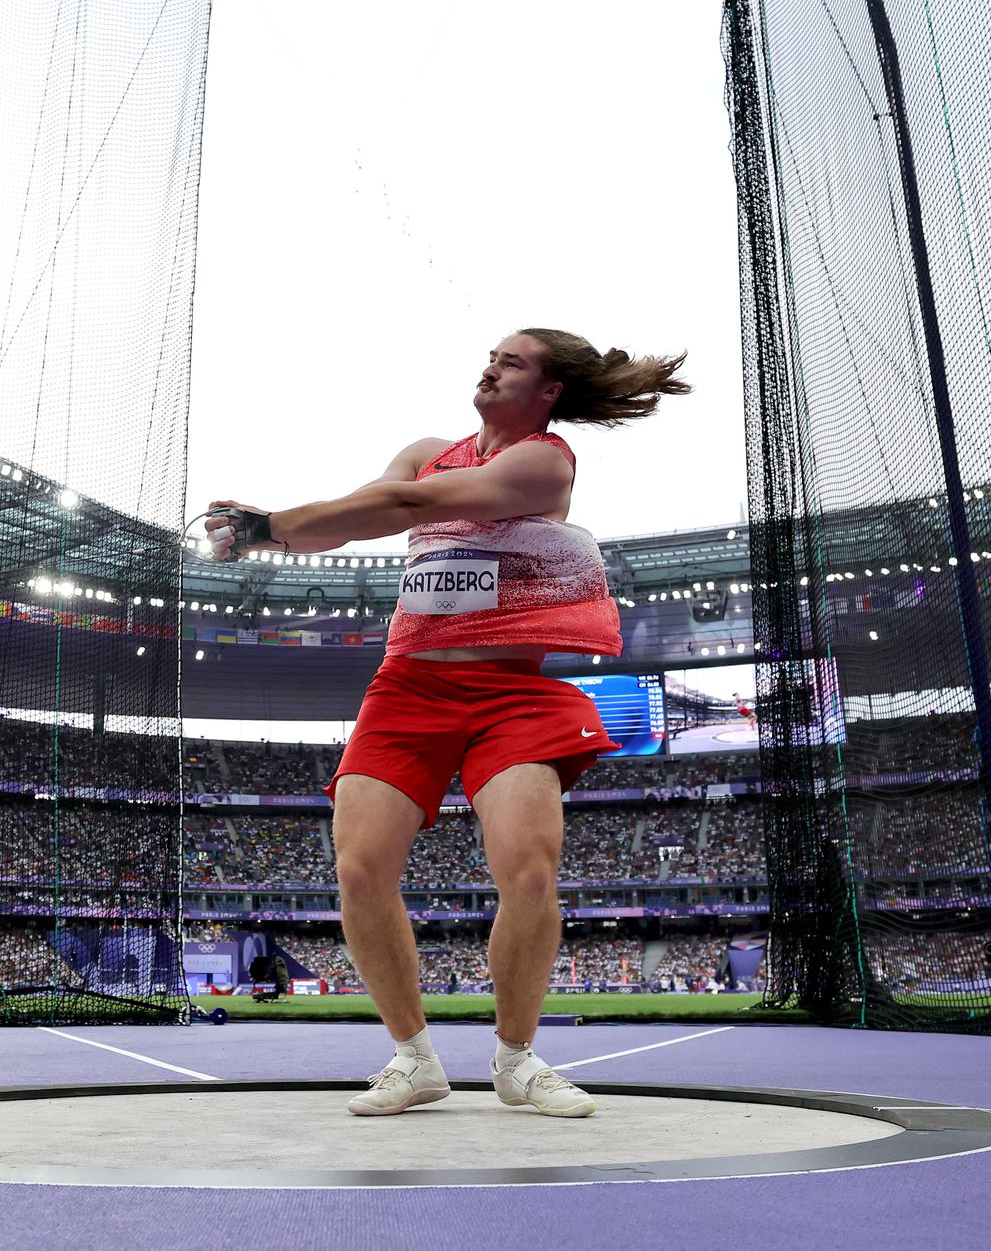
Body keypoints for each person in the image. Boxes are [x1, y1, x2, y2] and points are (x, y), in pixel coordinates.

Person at [206, 328, 688, 1116]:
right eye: (492, 355)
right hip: (407, 690)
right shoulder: (428, 448)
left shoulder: (542, 460)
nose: (491, 366)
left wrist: (272, 523)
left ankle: (516, 1060)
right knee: (359, 867)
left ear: (549, 390)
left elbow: (411, 505)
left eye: (513, 361)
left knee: (529, 868)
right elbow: (366, 514)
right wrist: (281, 529)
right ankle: (414, 1059)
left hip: (512, 694)